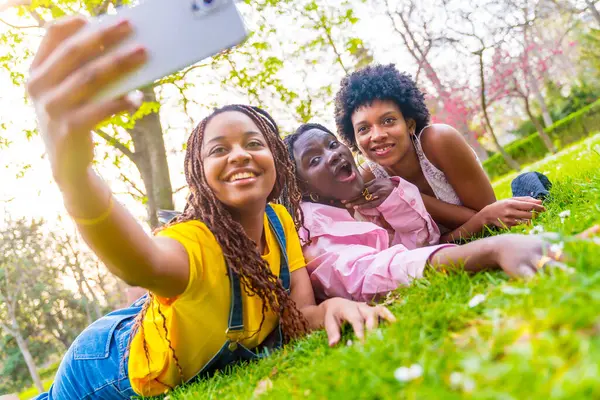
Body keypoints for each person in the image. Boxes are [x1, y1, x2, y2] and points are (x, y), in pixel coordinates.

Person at [27, 16, 394, 398]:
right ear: (201, 175)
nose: (239, 155)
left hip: (144, 323)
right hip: (105, 370)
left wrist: (331, 307)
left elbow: (301, 312)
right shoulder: (194, 243)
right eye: (219, 150)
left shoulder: (279, 221)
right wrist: (73, 176)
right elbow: (137, 262)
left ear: (276, 161)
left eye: (253, 143)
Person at [284, 123, 566, 302]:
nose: (333, 154)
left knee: (527, 185)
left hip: (463, 226)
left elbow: (422, 240)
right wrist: (491, 248)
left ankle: (529, 193)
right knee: (526, 190)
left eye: (332, 144)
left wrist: (392, 198)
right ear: (304, 190)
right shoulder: (316, 233)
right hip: (465, 232)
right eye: (315, 159)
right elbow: (378, 270)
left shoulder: (359, 199)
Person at [333, 64, 546, 242]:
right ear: (354, 140)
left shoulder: (439, 141)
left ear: (409, 124)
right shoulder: (367, 182)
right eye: (363, 129)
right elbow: (414, 251)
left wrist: (404, 193)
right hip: (451, 248)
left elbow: (494, 219)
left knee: (528, 187)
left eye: (388, 120)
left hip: (478, 236)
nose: (377, 135)